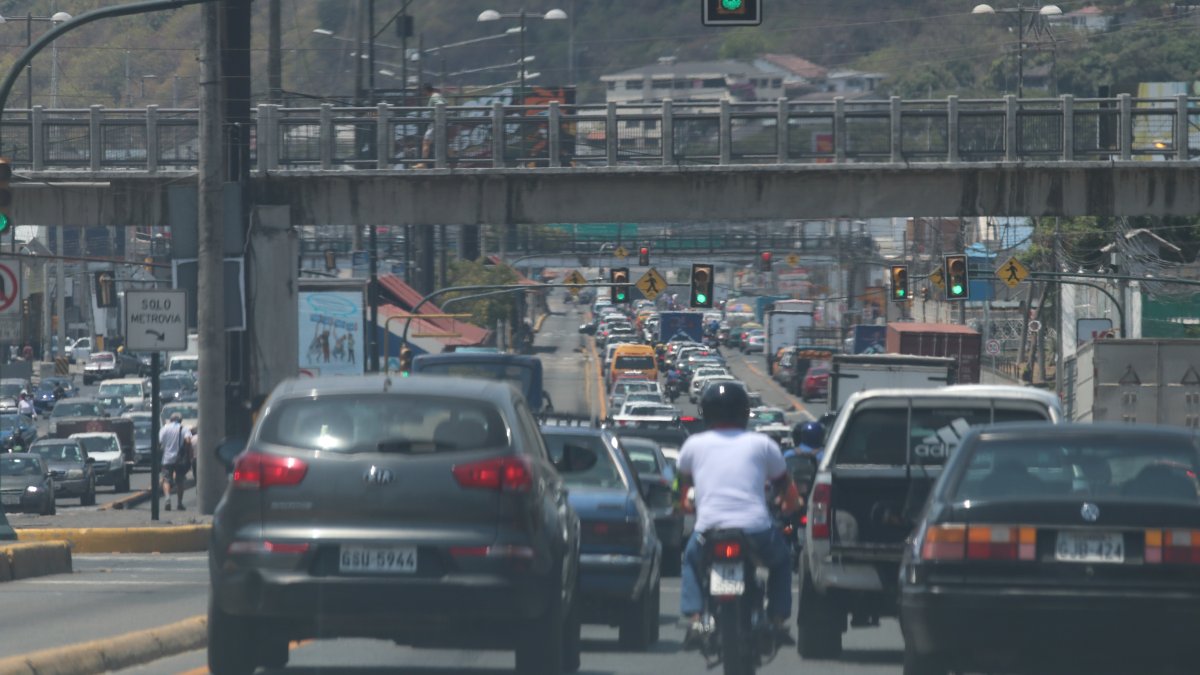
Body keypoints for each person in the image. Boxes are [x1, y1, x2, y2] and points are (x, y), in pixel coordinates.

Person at [677, 382, 800, 648]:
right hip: (756, 531)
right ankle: (777, 619)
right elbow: (787, 490)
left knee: (690, 560)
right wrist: (791, 505)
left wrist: (686, 506)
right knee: (781, 562)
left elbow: (683, 491)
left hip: (708, 531)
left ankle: (696, 619)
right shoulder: (763, 444)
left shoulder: (693, 446)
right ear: (744, 412)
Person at [159, 412, 193, 511]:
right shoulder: (184, 429)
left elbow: (160, 442)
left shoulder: (164, 429)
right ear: (180, 420)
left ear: (170, 420)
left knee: (166, 480)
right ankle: (179, 503)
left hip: (167, 458)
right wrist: (187, 453)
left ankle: (167, 498)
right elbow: (188, 441)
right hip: (180, 460)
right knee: (180, 481)